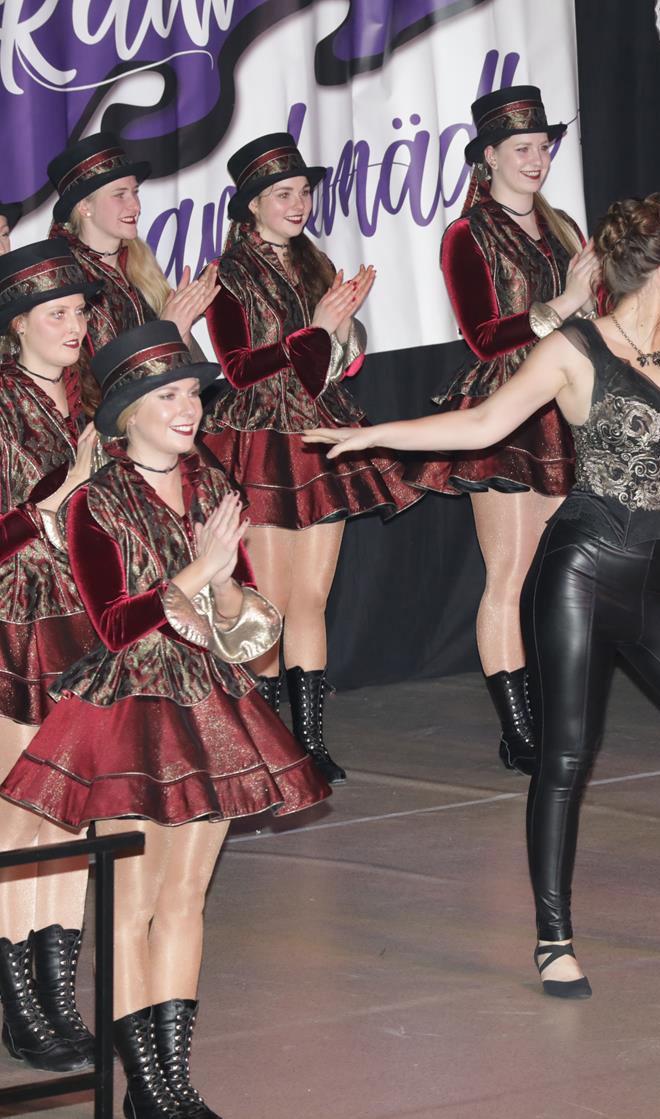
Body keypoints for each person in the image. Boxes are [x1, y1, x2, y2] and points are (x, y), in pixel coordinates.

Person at [307, 194, 660, 996]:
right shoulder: (574, 348)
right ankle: (553, 936)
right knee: (566, 758)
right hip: (582, 572)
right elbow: (482, 425)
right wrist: (377, 434)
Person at [1, 320, 331, 1119]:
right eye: (169, 396)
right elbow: (114, 625)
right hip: (129, 715)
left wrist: (224, 586)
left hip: (209, 705)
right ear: (126, 412)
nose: (188, 409)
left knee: (187, 895)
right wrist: (198, 572)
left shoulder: (213, 485)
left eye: (191, 394)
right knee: (134, 902)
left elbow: (248, 626)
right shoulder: (95, 501)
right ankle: (143, 1082)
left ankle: (173, 1081)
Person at [202, 132, 422, 784]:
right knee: (268, 602)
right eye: (282, 194)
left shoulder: (316, 261)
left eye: (302, 192)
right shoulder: (229, 273)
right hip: (261, 438)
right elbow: (238, 369)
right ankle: (265, 747)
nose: (298, 204)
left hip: (319, 432)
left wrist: (344, 329)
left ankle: (311, 745)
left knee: (312, 597)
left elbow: (341, 367)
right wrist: (318, 328)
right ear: (251, 205)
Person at [405, 87, 596, 776]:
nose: (536, 159)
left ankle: (550, 710)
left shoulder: (563, 227)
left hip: (564, 402)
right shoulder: (467, 233)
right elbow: (483, 336)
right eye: (522, 148)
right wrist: (564, 303)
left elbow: (593, 316)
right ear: (488, 157)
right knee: (510, 573)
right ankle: (519, 729)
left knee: (558, 575)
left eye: (543, 146)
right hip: (508, 409)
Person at [0, 240, 102, 1074]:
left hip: (88, 619)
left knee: (74, 810)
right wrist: (53, 504)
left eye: (80, 311)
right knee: (20, 812)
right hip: (17, 621)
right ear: (16, 325)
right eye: (56, 313)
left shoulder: (90, 396)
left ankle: (59, 991)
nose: (75, 326)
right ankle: (20, 1005)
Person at [46, 132, 217, 354]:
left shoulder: (140, 264)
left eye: (135, 193)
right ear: (84, 206)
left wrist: (180, 330)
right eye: (120, 195)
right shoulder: (65, 278)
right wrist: (168, 331)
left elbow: (181, 367)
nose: (136, 206)